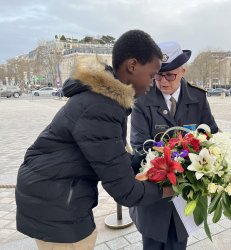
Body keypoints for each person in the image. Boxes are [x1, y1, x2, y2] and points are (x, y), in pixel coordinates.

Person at [15, 30, 174, 250]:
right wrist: (171, 189)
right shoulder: (100, 107)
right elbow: (126, 191)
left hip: (57, 194)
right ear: (133, 65)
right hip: (56, 204)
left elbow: (113, 156)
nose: (153, 82)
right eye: (152, 74)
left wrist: (157, 163)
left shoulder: (104, 100)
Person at [129, 41, 218, 250]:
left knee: (178, 245)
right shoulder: (142, 100)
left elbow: (210, 135)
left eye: (171, 75)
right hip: (154, 197)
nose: (164, 81)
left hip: (185, 197)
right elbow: (139, 145)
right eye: (158, 75)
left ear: (183, 71)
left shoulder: (198, 97)